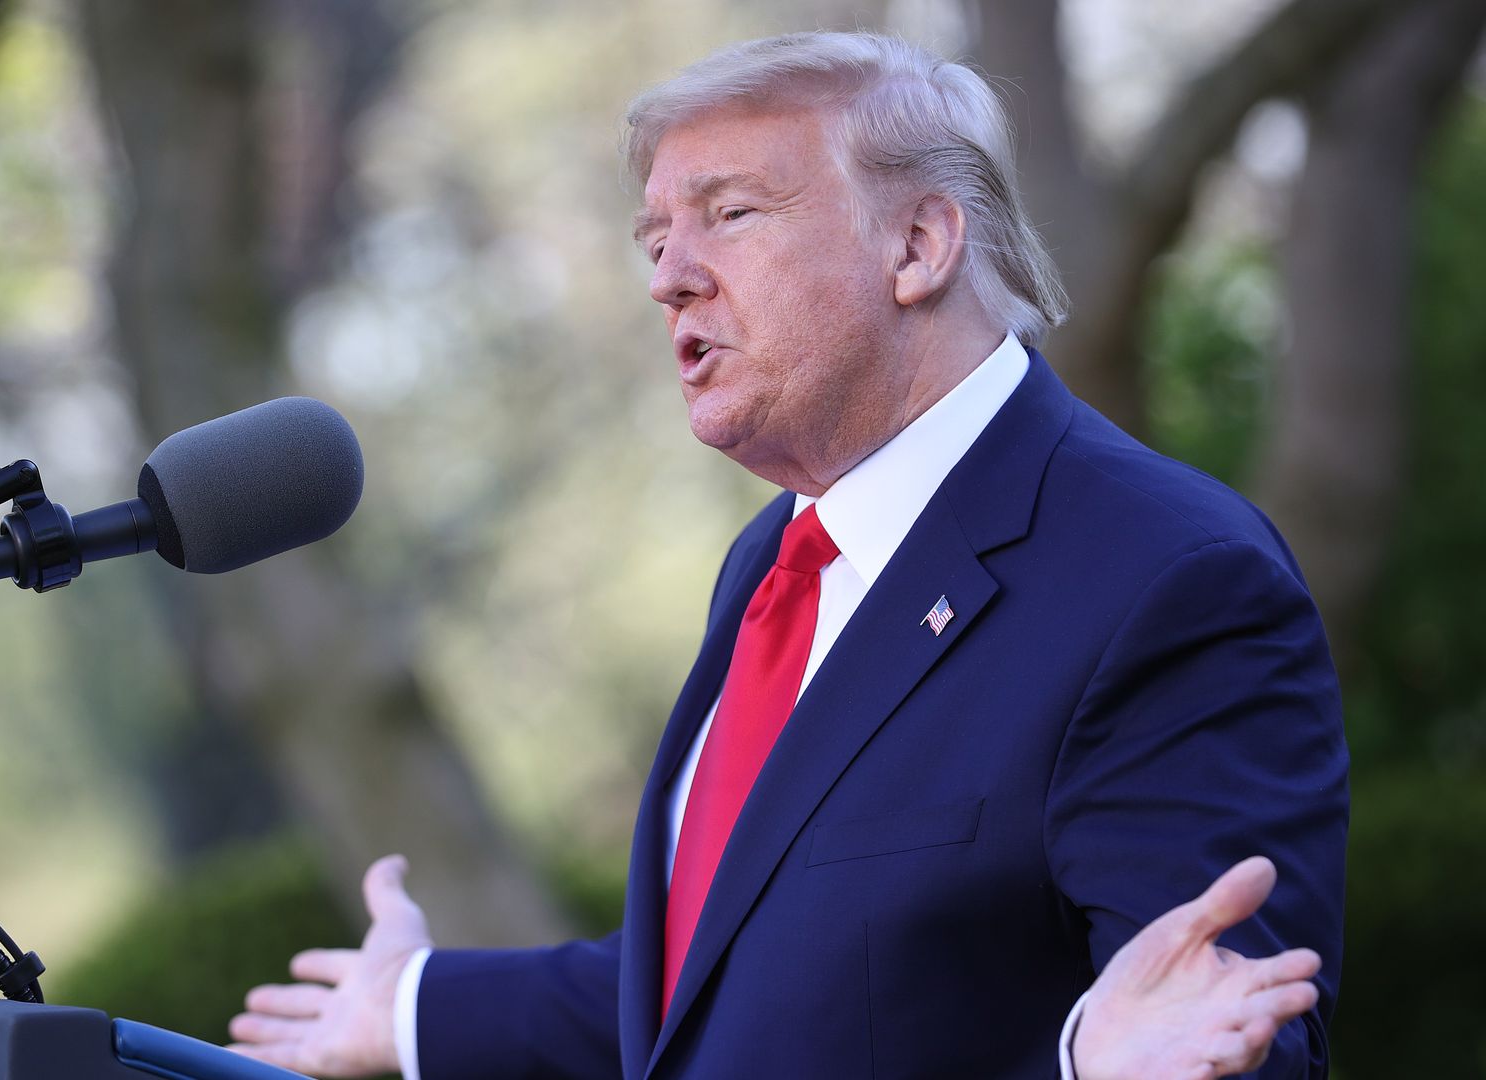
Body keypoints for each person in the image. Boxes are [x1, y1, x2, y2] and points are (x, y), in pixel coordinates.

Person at [227, 31, 1347, 1080]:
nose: (669, 276)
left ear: (918, 244)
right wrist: (415, 1009)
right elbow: (739, 976)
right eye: (657, 239)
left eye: (730, 214)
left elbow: (1212, 1030)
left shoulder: (1168, 579)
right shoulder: (776, 563)